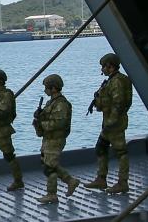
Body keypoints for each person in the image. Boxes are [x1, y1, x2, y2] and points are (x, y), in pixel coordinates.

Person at [84, 53, 133, 194]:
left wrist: (111, 120)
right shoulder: (112, 80)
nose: (102, 70)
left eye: (103, 66)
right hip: (109, 122)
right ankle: (101, 179)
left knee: (121, 152)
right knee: (101, 147)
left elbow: (119, 103)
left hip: (114, 123)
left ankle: (122, 182)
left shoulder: (117, 81)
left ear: (110, 66)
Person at [34, 74, 79, 205]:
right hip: (49, 138)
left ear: (53, 88)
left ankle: (52, 194)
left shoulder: (61, 104)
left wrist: (42, 124)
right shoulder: (51, 103)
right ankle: (70, 181)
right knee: (47, 163)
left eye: (46, 88)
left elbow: (58, 124)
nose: (45, 90)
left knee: (49, 166)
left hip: (56, 139)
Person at [0, 69, 24, 192]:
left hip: (2, 130)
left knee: (9, 156)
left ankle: (18, 181)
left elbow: (3, 112)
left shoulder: (6, 94)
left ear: (0, 81)